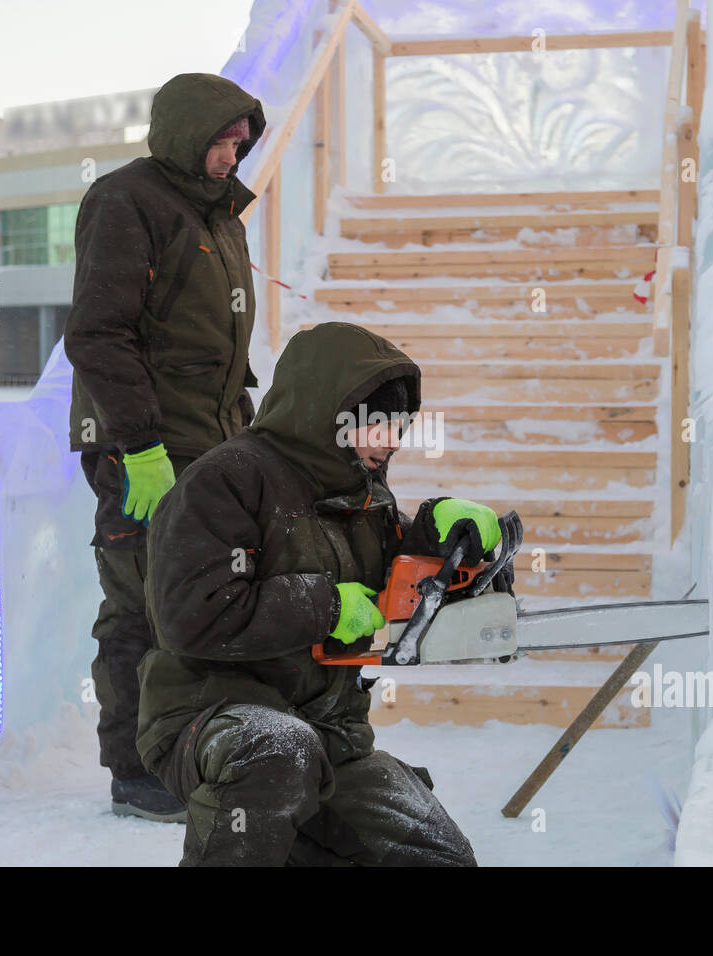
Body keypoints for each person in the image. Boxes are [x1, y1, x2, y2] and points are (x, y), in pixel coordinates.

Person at [135, 321, 504, 865]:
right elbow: (190, 616)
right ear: (330, 413)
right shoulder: (225, 481)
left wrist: (443, 538)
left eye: (398, 426)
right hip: (210, 715)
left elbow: (397, 574)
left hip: (331, 735)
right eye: (377, 424)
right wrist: (325, 606)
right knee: (279, 750)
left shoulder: (364, 494)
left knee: (437, 856)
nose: (391, 441)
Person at [63, 73, 266, 822]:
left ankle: (189, 755)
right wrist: (138, 445)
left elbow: (217, 349)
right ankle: (136, 775)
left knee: (200, 609)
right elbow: (98, 334)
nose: (231, 156)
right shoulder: (126, 200)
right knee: (140, 610)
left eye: (240, 144)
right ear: (187, 132)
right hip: (142, 451)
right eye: (220, 141)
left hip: (208, 447)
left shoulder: (219, 217)